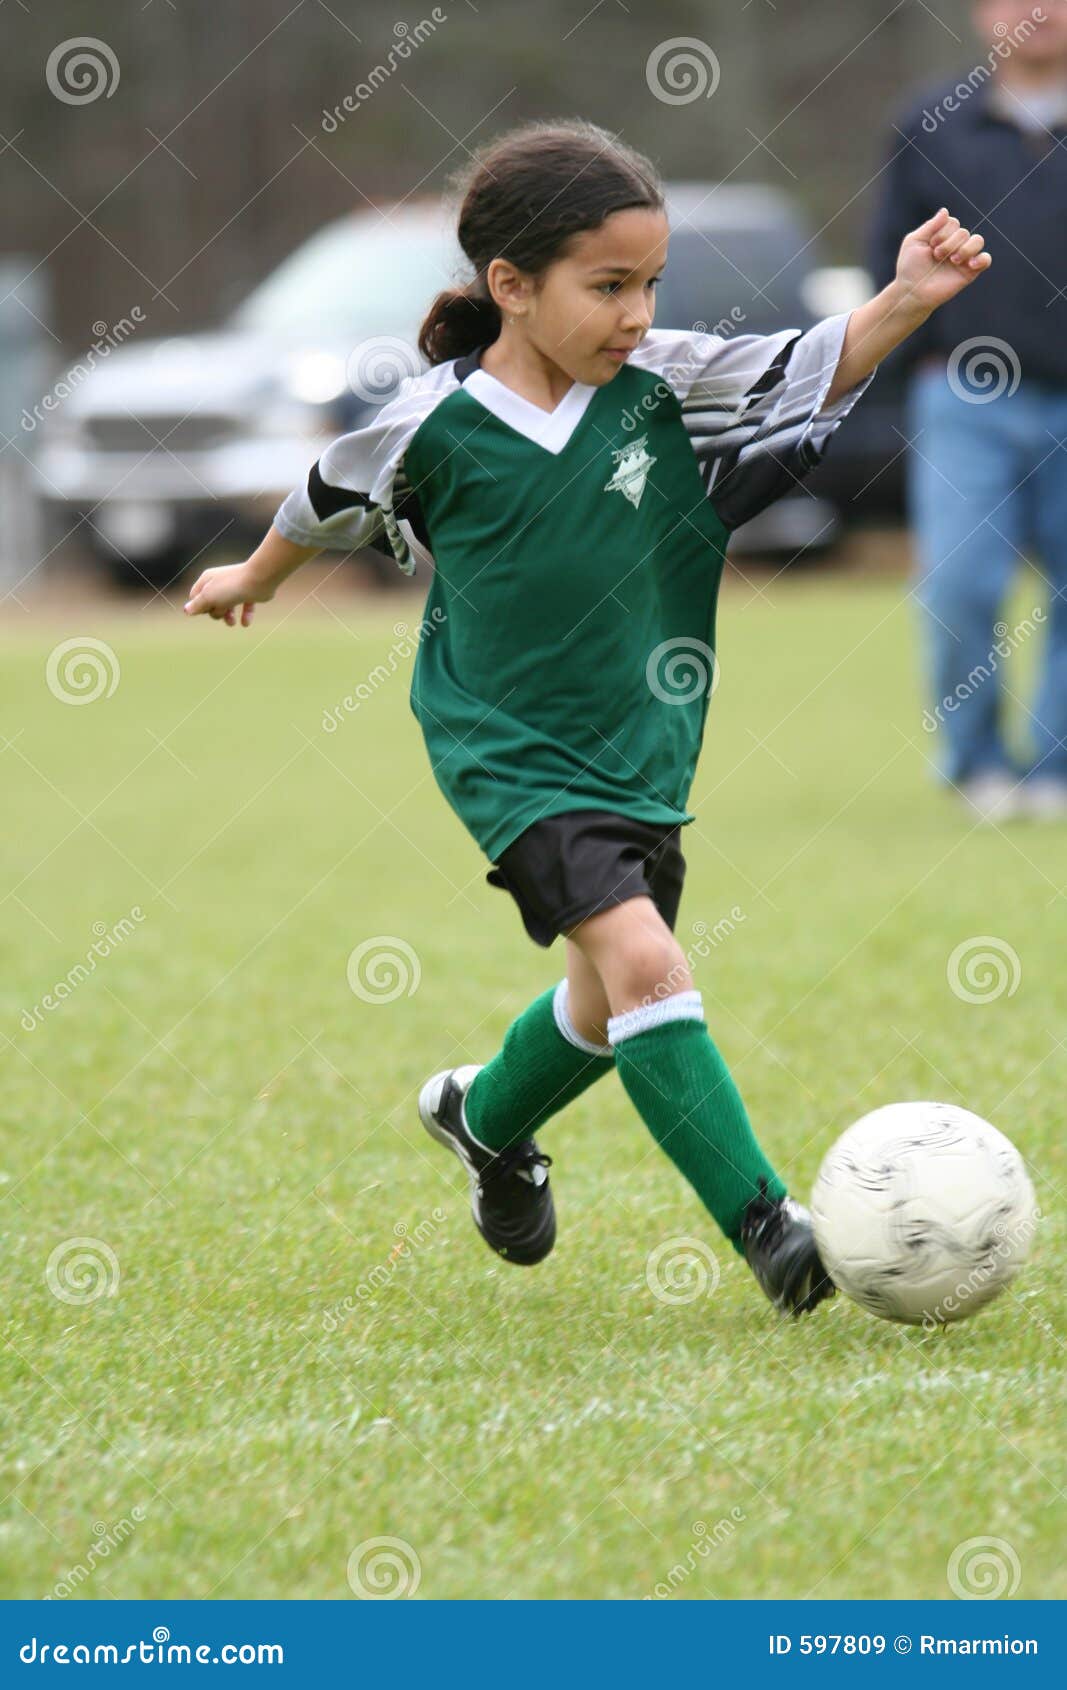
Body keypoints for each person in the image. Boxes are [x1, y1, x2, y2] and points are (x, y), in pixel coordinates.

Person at [184, 119, 990, 1316]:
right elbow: (322, 496)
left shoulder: (666, 381)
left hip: (642, 742)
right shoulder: (433, 424)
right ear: (510, 286)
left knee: (605, 1002)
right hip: (502, 745)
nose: (634, 310)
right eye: (606, 286)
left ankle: (483, 1119)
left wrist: (908, 299)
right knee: (645, 960)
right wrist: (250, 581)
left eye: (648, 282)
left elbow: (810, 362)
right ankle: (771, 1227)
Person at [869, 0, 1067, 821]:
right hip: (964, 395)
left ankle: (1054, 771)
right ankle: (976, 764)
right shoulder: (928, 121)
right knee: (956, 584)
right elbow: (887, 260)